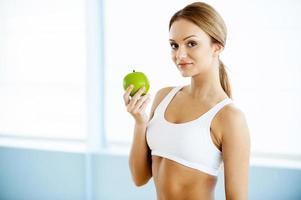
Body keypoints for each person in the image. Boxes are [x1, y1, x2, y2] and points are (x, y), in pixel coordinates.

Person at [123, 2, 250, 199]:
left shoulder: (230, 117)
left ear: (217, 47)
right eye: (174, 45)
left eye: (191, 43)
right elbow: (139, 178)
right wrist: (140, 122)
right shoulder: (163, 96)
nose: (180, 55)